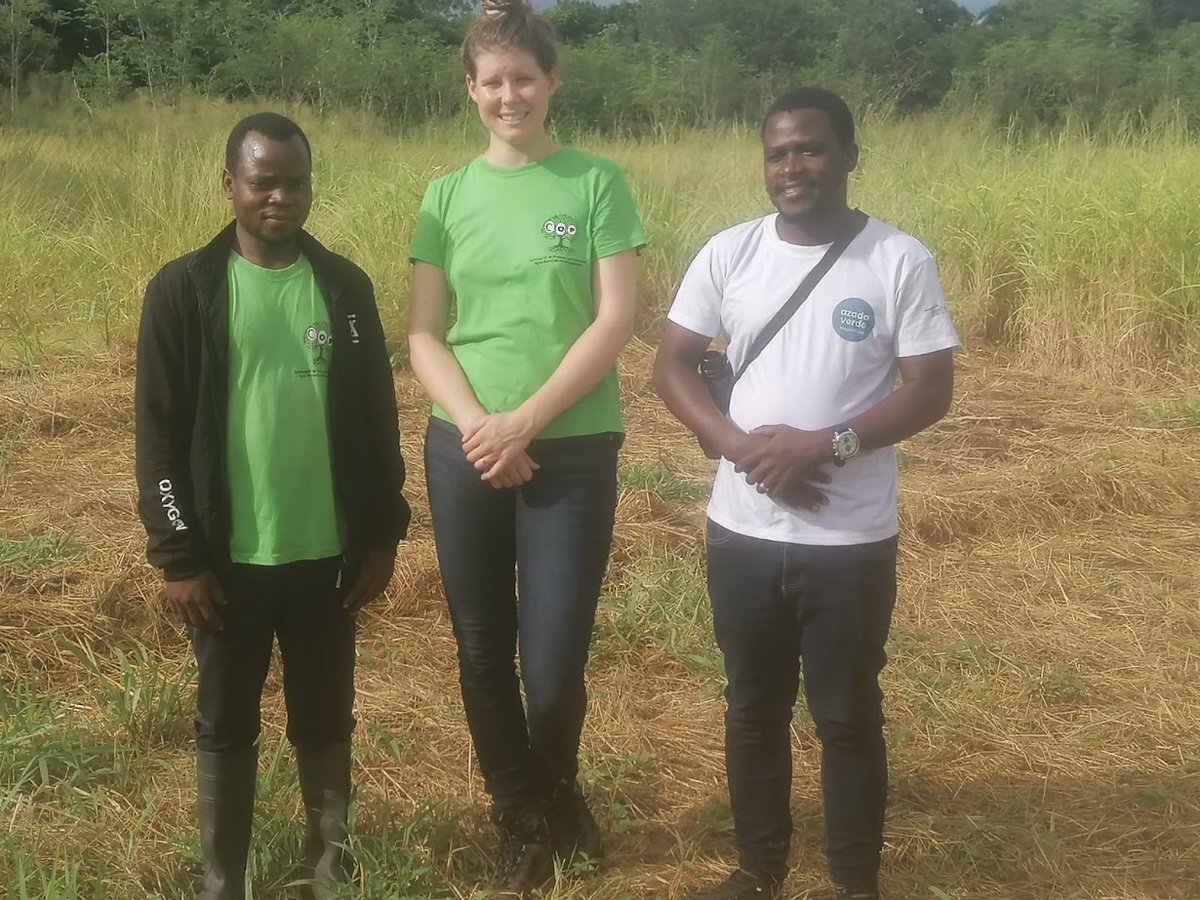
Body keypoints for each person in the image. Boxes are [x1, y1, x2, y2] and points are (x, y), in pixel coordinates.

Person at [653, 87, 958, 900]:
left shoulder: (898, 259)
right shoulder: (730, 252)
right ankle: (758, 872)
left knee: (847, 716)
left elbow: (930, 388)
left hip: (850, 540)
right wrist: (743, 451)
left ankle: (855, 884)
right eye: (779, 152)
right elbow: (671, 365)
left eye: (812, 149)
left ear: (851, 156)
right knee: (752, 707)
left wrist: (827, 444)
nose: (794, 167)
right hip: (741, 531)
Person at [134, 112, 410, 900]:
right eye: (264, 182)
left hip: (327, 557)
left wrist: (381, 533)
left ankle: (331, 869)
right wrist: (178, 553)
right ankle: (225, 879)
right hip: (225, 563)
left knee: (326, 717)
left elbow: (375, 419)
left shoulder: (345, 288)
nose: (281, 198)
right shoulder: (184, 290)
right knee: (225, 723)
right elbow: (157, 432)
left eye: (296, 183)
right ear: (230, 186)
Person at [406, 0, 645, 891]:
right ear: (470, 90)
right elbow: (425, 333)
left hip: (571, 446)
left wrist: (526, 421)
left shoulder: (595, 183)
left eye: (525, 79)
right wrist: (478, 425)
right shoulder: (447, 195)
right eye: (493, 82)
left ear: (553, 83)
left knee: (552, 665)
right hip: (464, 446)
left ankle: (556, 783)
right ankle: (521, 816)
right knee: (480, 644)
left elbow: (617, 318)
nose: (511, 95)